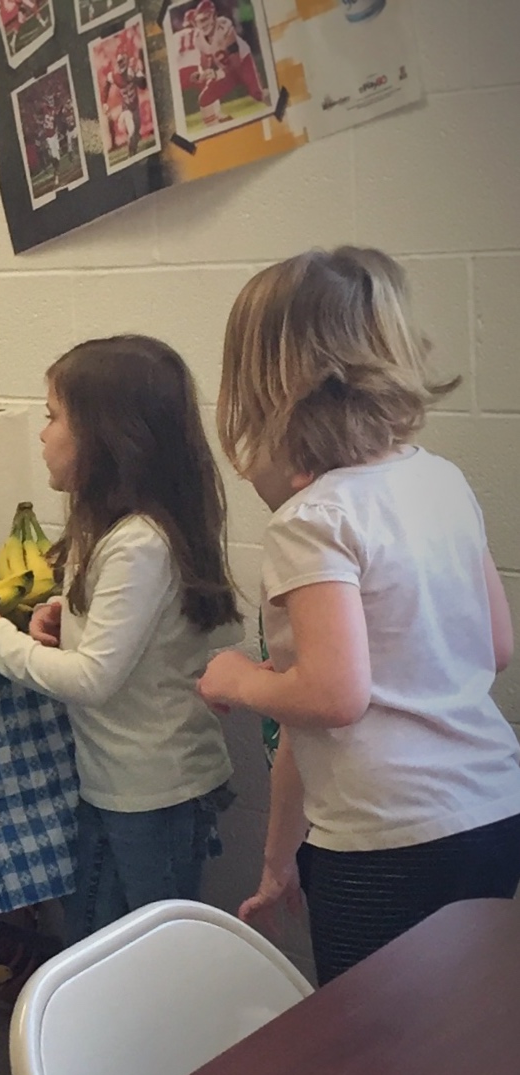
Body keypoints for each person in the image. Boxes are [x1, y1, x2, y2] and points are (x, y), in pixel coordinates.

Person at [198, 248, 520, 983]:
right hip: (490, 810)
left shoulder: (310, 520)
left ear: (264, 386)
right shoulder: (439, 480)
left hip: (388, 841)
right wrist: (279, 861)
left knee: (374, 1054)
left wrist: (237, 679)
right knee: (457, 1033)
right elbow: (495, 645)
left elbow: (329, 697)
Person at [0, 337, 239, 944]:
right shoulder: (112, 533)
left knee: (149, 961)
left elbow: (93, 680)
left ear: (105, 436)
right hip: (116, 787)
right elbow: (128, 638)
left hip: (154, 796)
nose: (43, 434)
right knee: (92, 944)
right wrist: (68, 616)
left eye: (53, 417)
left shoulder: (139, 541)